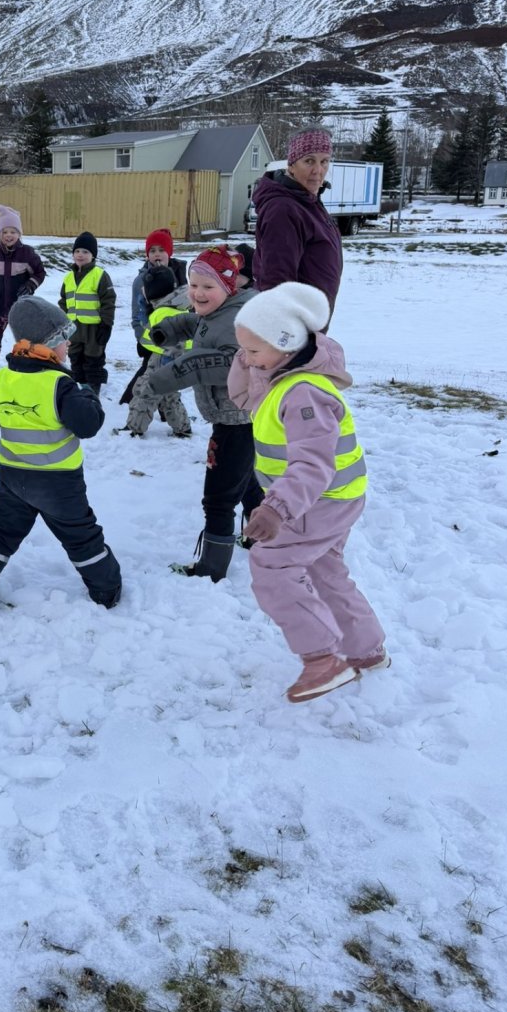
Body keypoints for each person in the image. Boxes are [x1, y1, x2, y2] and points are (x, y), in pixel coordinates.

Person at [228, 282, 388, 703]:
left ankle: (323, 661)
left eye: (254, 351)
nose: (245, 358)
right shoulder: (281, 378)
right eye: (240, 348)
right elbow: (244, 396)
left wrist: (276, 508)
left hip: (318, 500)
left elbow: (313, 463)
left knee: (272, 564)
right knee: (324, 569)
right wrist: (249, 356)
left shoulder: (305, 395)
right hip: (331, 499)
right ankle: (365, 650)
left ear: (286, 347)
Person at [0, 295, 122, 616]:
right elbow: (88, 424)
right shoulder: (60, 384)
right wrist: (88, 395)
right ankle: (107, 589)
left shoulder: (1, 378)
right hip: (59, 483)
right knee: (81, 537)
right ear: (49, 344)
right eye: (63, 340)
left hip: (14, 478)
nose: (68, 346)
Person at [147, 246, 264, 581]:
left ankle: (211, 570)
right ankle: (262, 537)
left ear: (228, 287)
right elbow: (196, 322)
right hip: (237, 418)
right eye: (193, 285)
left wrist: (172, 374)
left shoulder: (236, 323)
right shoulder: (222, 309)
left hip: (234, 420)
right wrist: (168, 329)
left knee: (218, 497)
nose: (197, 293)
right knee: (246, 485)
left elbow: (228, 363)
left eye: (207, 287)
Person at [251, 128, 342, 313]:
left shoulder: (308, 201)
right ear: (291, 165)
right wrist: (286, 335)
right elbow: (276, 280)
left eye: (324, 161)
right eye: (309, 161)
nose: (318, 170)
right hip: (293, 328)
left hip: (309, 321)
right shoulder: (284, 209)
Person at [0, 205, 46, 391]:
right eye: (5, 231)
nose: (9, 235)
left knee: (25, 342)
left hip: (20, 308)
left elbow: (39, 273)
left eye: (13, 231)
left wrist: (30, 286)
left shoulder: (27, 254)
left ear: (19, 233)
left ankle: (27, 376)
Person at [121, 266, 193, 438]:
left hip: (164, 359)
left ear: (154, 290)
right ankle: (182, 427)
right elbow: (155, 330)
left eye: (144, 288)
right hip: (171, 360)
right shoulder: (171, 307)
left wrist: (166, 367)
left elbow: (169, 340)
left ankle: (135, 428)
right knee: (169, 395)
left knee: (145, 392)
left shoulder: (163, 312)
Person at [58, 230, 115, 396]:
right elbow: (63, 301)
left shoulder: (100, 276)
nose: (80, 255)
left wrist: (106, 324)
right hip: (73, 328)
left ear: (93, 255)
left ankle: (92, 388)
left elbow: (108, 301)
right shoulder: (68, 277)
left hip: (93, 328)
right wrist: (61, 321)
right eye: (77, 251)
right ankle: (80, 384)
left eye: (85, 251)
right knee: (75, 358)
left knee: (93, 359)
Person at [128, 228, 188, 354]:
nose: (157, 254)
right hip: (153, 340)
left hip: (179, 341)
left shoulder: (179, 275)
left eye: (161, 250)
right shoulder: (141, 280)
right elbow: (137, 315)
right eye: (152, 250)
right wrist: (141, 338)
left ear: (169, 252)